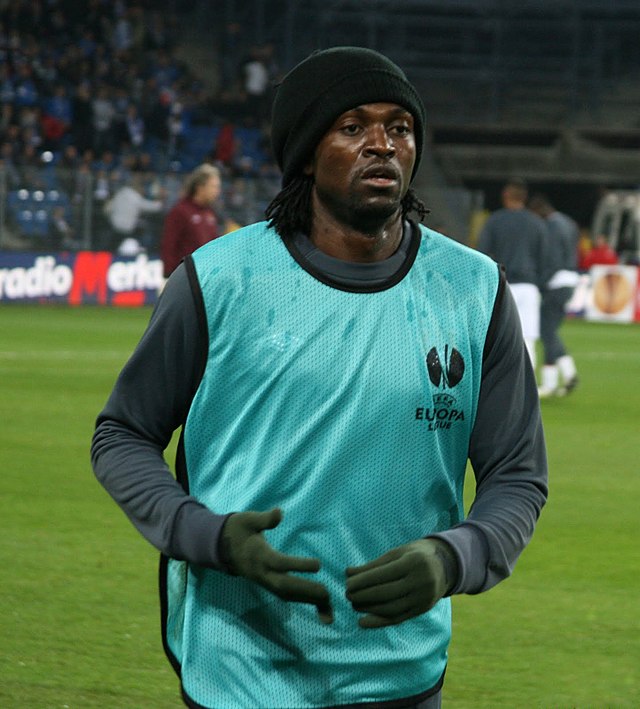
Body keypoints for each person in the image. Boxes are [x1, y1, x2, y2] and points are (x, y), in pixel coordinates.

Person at [91, 47, 548, 709]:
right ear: (307, 151)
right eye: (353, 126)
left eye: (400, 127)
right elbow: (122, 434)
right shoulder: (220, 279)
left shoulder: (473, 289)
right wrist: (205, 534)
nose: (383, 145)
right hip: (242, 667)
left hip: (403, 672)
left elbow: (517, 473)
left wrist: (458, 555)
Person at [477, 178, 551, 370]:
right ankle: (527, 390)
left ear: (505, 196)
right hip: (529, 286)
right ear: (524, 198)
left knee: (495, 339)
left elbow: (482, 253)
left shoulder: (495, 221)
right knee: (528, 338)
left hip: (501, 285)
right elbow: (545, 258)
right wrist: (539, 284)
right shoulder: (537, 224)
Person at [528, 194, 580, 397]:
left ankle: (569, 372)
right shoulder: (567, 222)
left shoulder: (551, 227)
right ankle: (550, 383)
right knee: (548, 329)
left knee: (546, 330)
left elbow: (552, 258)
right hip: (570, 280)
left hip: (556, 282)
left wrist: (540, 282)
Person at [159, 163, 222, 277]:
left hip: (205, 278)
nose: (217, 191)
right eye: (214, 186)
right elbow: (168, 245)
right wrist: (169, 276)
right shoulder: (180, 211)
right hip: (184, 279)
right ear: (200, 187)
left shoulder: (210, 214)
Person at [103, 177, 164, 252]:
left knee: (111, 249)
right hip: (127, 231)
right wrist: (161, 201)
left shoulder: (120, 193)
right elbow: (153, 207)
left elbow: (107, 209)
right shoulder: (135, 197)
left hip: (114, 227)